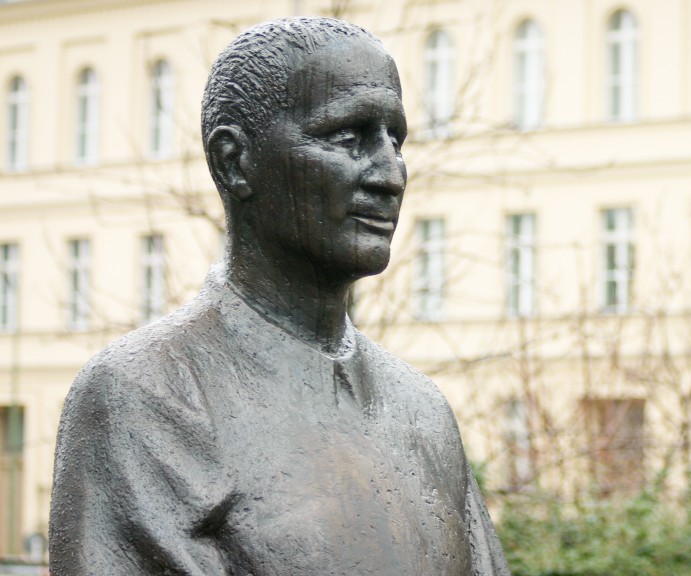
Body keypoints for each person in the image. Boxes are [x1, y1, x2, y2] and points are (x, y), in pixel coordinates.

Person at [49, 18, 510, 576]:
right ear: (235, 162)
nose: (391, 176)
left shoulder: (422, 410)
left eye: (396, 141)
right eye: (348, 138)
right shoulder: (145, 397)